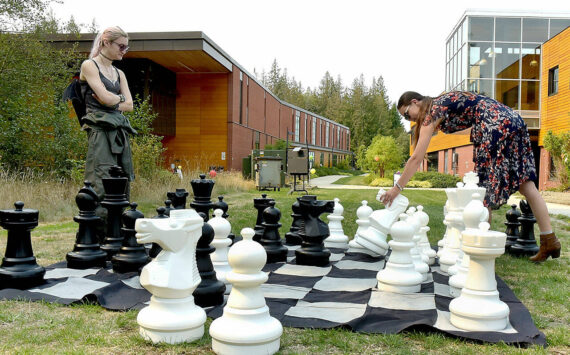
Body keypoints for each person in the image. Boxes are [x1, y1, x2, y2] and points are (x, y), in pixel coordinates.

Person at [379, 91, 561, 262]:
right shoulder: (442, 103)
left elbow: (416, 158)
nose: (408, 118)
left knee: (484, 189)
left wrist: (397, 188)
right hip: (512, 120)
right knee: (525, 184)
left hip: (493, 124)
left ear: (415, 102)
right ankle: (549, 240)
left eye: (406, 113)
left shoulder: (432, 111)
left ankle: (482, 249)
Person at [79, 26, 136, 199]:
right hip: (100, 131)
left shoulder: (120, 73)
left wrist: (113, 99)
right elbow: (106, 98)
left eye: (126, 47)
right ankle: (100, 225)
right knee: (101, 179)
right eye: (121, 46)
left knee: (123, 178)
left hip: (119, 131)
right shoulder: (90, 65)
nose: (124, 51)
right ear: (106, 42)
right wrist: (119, 99)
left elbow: (130, 105)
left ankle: (118, 225)